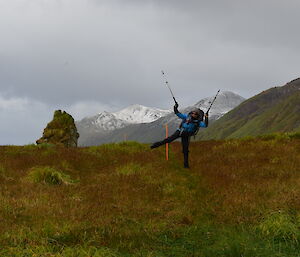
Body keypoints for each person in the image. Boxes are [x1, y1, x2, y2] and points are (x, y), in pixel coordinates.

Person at [150, 102, 208, 168]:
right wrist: (175, 107)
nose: (193, 114)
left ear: (198, 116)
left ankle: (186, 166)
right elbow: (177, 113)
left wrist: (206, 117)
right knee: (169, 140)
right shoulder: (186, 117)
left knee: (185, 150)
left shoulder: (198, 123)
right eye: (192, 113)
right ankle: (155, 145)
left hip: (186, 135)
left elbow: (205, 125)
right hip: (180, 131)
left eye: (195, 114)